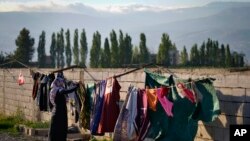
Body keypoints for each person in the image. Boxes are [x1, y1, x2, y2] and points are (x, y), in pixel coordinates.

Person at [48, 72, 79, 141]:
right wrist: (76, 86)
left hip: (59, 113)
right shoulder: (58, 90)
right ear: (58, 82)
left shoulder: (55, 89)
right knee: (58, 131)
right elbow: (67, 91)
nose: (62, 82)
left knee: (59, 131)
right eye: (61, 81)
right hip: (58, 114)